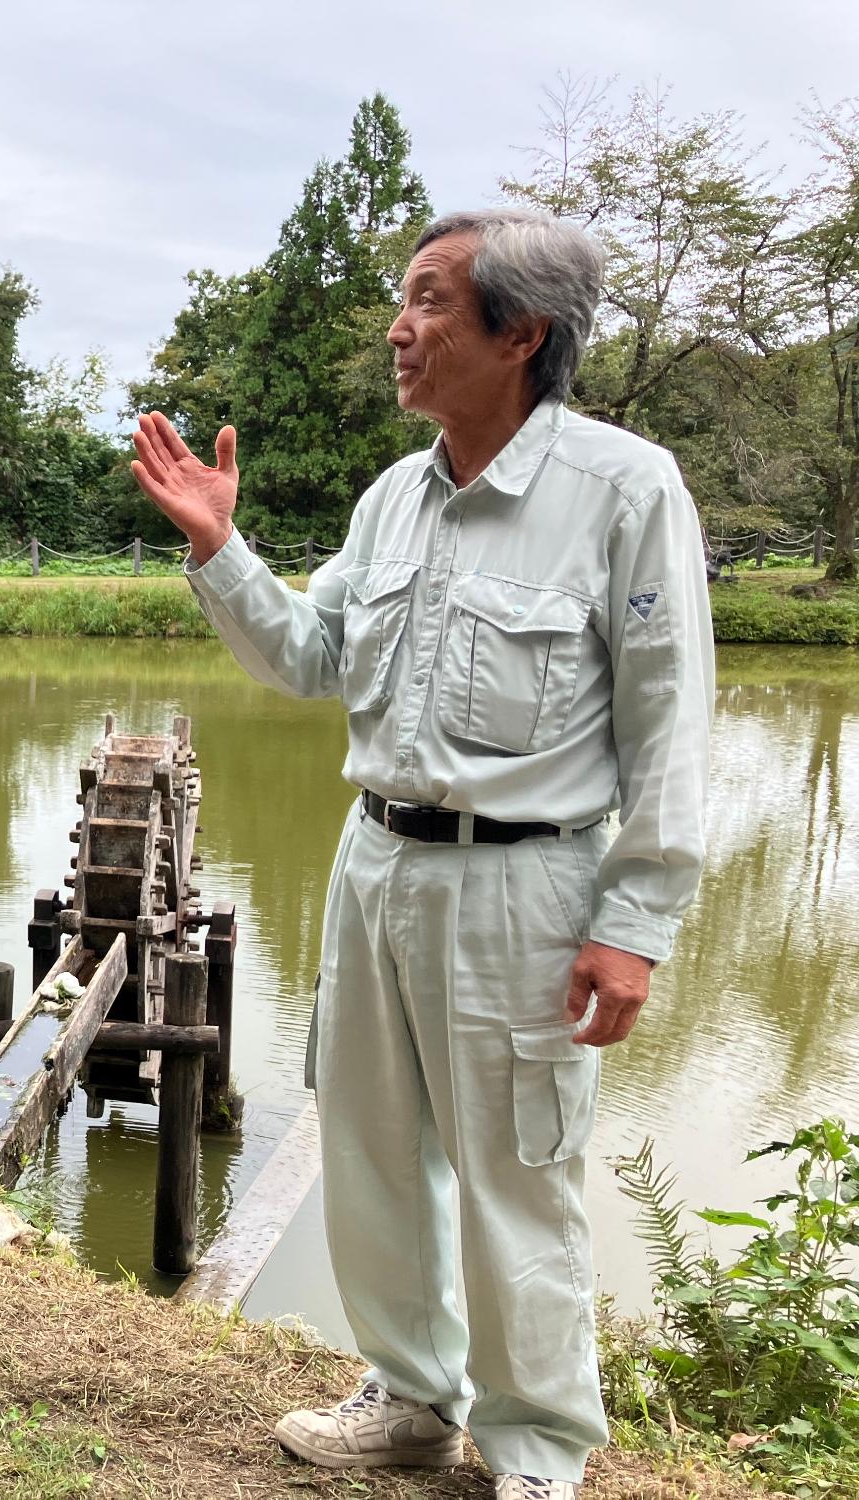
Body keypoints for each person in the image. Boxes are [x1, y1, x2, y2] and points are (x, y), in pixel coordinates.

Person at [131, 208, 712, 1500]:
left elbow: (672, 723)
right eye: (404, 300)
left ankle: (536, 1452)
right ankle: (408, 1395)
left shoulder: (624, 489)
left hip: (531, 885)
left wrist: (638, 924)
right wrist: (219, 549)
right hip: (374, 863)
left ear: (522, 334)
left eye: (431, 302)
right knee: (375, 1150)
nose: (400, 329)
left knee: (520, 1172)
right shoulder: (396, 496)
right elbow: (309, 659)